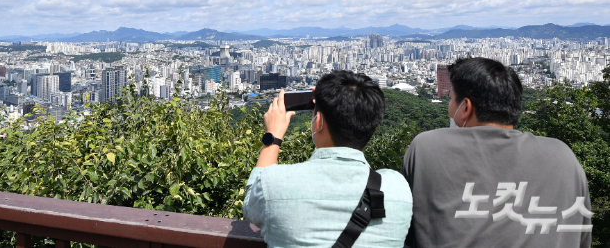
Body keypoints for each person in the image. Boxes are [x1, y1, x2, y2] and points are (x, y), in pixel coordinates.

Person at [402, 57, 592, 248]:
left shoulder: (427, 147)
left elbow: (405, 234)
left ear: (466, 107)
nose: (449, 108)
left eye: (451, 99)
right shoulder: (562, 156)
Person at [243, 70, 413, 248]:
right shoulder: (398, 189)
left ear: (319, 122)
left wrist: (273, 137)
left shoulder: (274, 184)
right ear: (373, 127)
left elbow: (250, 203)